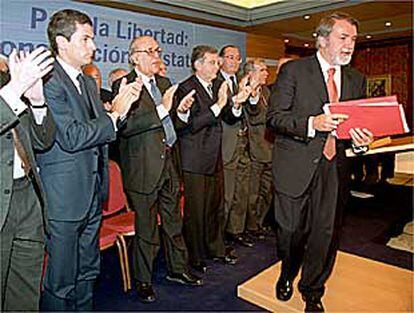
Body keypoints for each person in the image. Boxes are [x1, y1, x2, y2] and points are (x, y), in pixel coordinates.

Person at [267, 12, 374, 312]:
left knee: (325, 234)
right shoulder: (294, 72)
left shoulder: (356, 79)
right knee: (290, 233)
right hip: (294, 166)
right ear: (322, 39)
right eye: (343, 38)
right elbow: (275, 118)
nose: (350, 45)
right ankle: (287, 272)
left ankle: (312, 290)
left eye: (353, 39)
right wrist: (313, 122)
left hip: (334, 168)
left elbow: (355, 128)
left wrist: (361, 141)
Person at [37, 9, 142, 311]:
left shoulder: (85, 81)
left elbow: (101, 133)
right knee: (61, 282)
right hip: (65, 200)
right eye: (85, 39)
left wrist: (120, 113)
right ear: (62, 42)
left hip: (93, 194)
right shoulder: (49, 81)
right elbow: (70, 136)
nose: (93, 47)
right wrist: (116, 114)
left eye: (92, 39)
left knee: (87, 272)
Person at [112, 35, 202, 303]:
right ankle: (143, 279)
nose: (156, 55)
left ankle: (177, 269)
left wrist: (181, 112)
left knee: (174, 223)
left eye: (157, 50)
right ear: (135, 57)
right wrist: (163, 108)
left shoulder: (163, 83)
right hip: (142, 169)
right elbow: (126, 127)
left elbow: (171, 124)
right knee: (147, 228)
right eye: (149, 51)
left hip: (169, 165)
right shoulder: (124, 84)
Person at [174, 45, 240, 274]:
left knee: (214, 208)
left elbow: (229, 118)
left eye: (217, 62)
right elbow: (190, 124)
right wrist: (220, 104)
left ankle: (216, 248)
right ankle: (195, 256)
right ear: (197, 65)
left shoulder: (215, 87)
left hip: (214, 157)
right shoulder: (186, 88)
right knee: (196, 212)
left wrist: (236, 103)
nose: (217, 66)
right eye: (212, 62)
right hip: (194, 159)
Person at [0, 47, 55, 311]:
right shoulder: (9, 89)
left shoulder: (6, 81)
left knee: (25, 289)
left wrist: (37, 101)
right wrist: (14, 89)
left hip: (27, 196)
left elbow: (42, 141)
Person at [215, 45, 254, 248]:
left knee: (242, 191)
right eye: (230, 57)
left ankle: (236, 230)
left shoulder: (239, 83)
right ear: (220, 60)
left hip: (243, 142)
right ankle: (219, 237)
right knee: (227, 195)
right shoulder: (215, 83)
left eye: (238, 58)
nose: (234, 61)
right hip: (226, 143)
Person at [242, 58, 274, 238]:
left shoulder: (267, 92)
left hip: (270, 150)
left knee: (266, 192)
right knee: (251, 194)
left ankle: (258, 223)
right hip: (254, 151)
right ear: (250, 73)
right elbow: (254, 117)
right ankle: (250, 227)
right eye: (262, 70)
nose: (266, 73)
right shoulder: (245, 92)